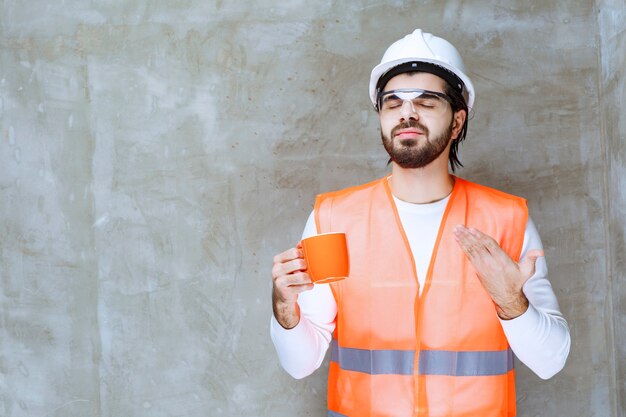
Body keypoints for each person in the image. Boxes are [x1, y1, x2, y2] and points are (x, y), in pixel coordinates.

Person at [270, 29, 570, 417]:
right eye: (392, 102)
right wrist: (284, 308)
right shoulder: (334, 218)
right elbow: (300, 364)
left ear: (457, 120)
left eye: (427, 102)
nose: (407, 113)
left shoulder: (506, 219)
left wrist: (512, 302)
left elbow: (551, 362)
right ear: (381, 116)